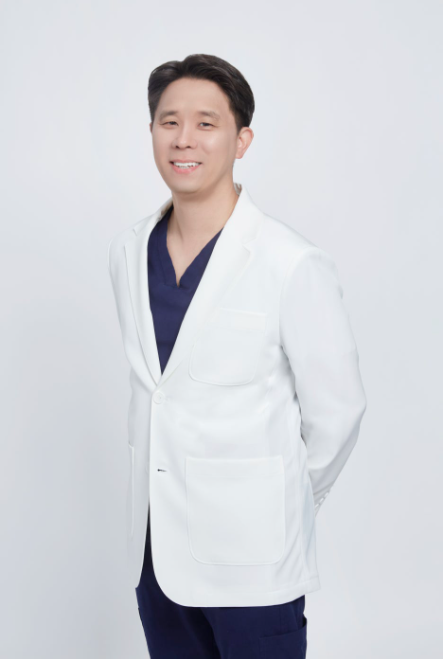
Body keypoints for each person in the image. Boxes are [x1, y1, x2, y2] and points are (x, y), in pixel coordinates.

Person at [107, 53, 367, 659]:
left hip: (253, 560)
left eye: (206, 123)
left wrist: (278, 503)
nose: (184, 139)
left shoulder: (289, 261)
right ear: (152, 132)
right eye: (169, 122)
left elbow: (339, 412)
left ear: (241, 140)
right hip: (155, 553)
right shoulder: (128, 251)